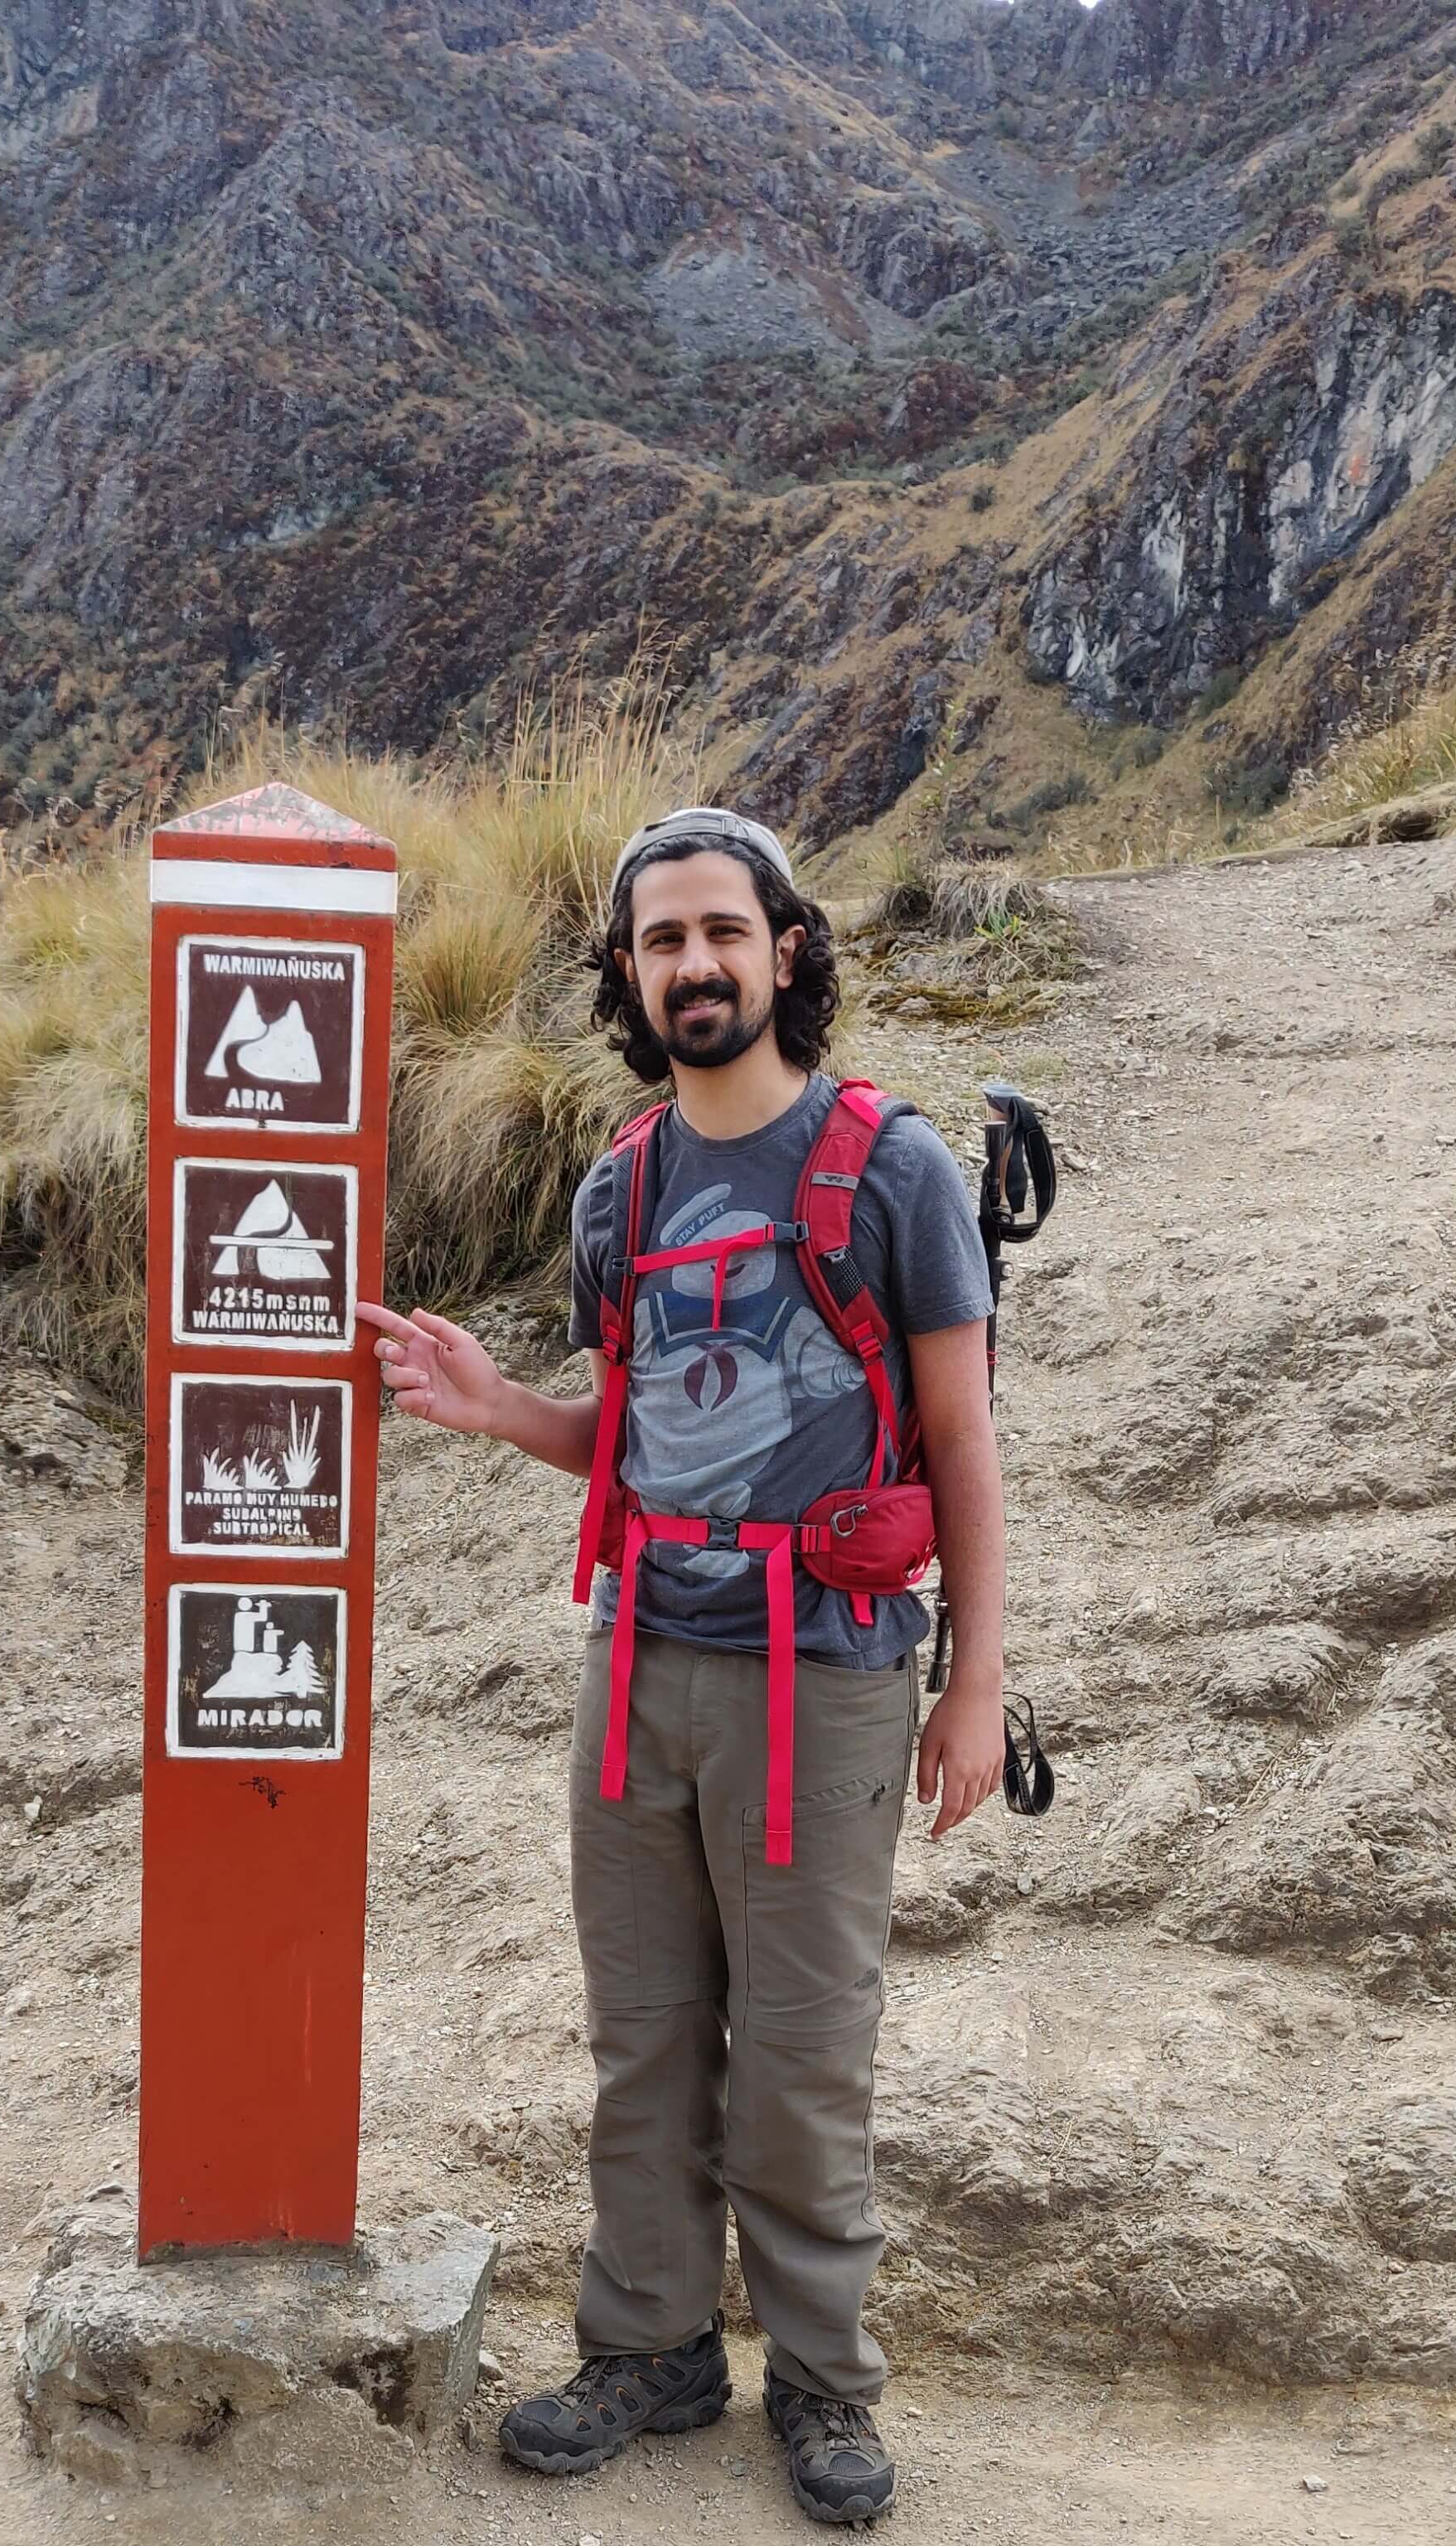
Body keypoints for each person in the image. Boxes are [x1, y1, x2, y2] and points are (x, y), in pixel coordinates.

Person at [358, 806, 1005, 2529]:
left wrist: (973, 1684)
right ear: (628, 980)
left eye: (720, 932)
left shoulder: (893, 1170)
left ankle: (821, 2382)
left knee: (799, 2052)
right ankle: (646, 2349)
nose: (692, 967)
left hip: (834, 1673)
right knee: (643, 2035)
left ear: (784, 947)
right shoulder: (619, 1185)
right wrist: (499, 1408)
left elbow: (962, 1441)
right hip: (634, 1661)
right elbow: (638, 1432)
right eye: (658, 944)